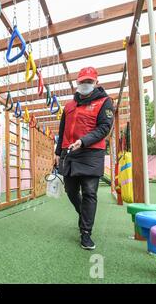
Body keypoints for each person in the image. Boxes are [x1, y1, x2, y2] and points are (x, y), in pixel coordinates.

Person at [55, 67, 114, 250]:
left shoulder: (105, 101)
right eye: (82, 82)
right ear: (77, 83)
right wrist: (58, 153)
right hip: (69, 152)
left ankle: (86, 232)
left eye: (89, 81)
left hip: (91, 153)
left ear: (96, 82)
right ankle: (83, 214)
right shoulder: (69, 105)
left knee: (89, 192)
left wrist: (83, 141)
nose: (85, 84)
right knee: (71, 191)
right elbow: (62, 129)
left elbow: (105, 127)